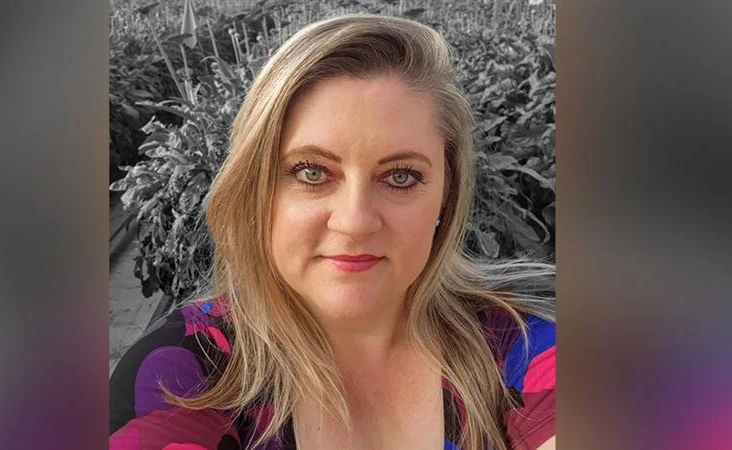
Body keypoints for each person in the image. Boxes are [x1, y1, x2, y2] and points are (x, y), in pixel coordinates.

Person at [110, 13, 555, 450]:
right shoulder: (180, 373)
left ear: (446, 194)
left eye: (400, 176)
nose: (355, 221)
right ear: (256, 188)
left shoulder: (521, 347)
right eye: (311, 172)